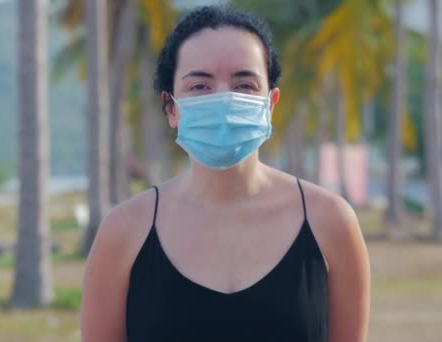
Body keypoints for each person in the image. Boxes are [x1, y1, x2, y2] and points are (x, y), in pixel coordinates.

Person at [81, 6, 370, 342]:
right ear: (172, 108)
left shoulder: (330, 222)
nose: (225, 99)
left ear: (271, 103)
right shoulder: (124, 231)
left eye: (244, 84)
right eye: (200, 86)